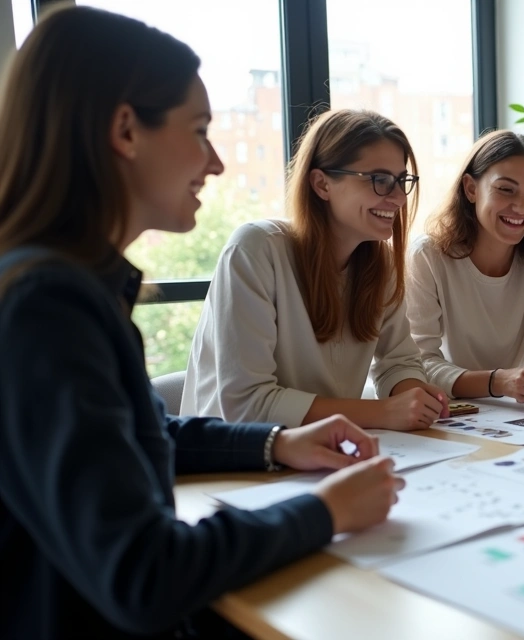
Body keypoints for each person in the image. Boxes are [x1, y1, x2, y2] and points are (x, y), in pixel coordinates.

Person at [0, 7, 402, 637]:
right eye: (199, 130)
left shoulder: (68, 288)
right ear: (126, 131)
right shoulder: (46, 308)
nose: (215, 163)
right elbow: (143, 572)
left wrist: (276, 444)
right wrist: (320, 512)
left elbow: (141, 431)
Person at [182, 109, 449, 430]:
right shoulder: (255, 248)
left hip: (325, 450)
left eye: (401, 181)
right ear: (322, 184)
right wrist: (384, 413)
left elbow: (399, 361)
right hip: (238, 463)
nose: (397, 198)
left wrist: (413, 393)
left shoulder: (381, 265)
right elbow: (246, 404)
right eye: (379, 180)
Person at [407, 131, 524, 404]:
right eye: (506, 189)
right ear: (471, 189)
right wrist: (496, 382)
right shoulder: (427, 256)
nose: (521, 207)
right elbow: (415, 365)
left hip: (512, 412)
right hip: (444, 411)